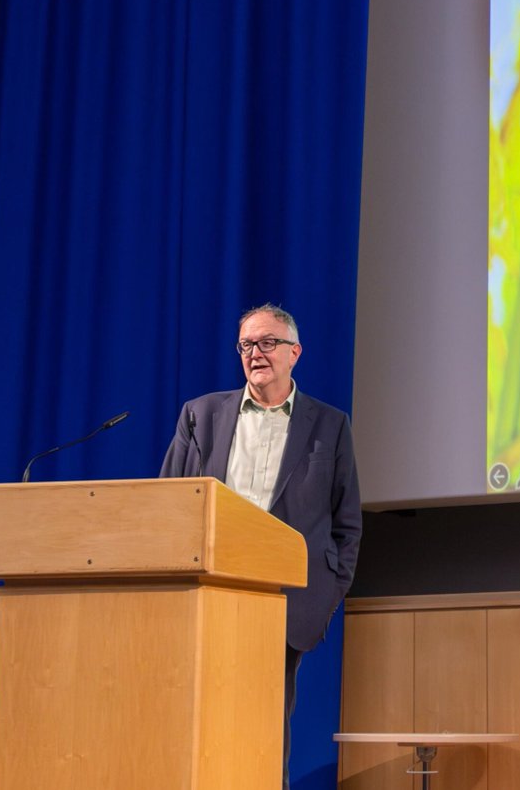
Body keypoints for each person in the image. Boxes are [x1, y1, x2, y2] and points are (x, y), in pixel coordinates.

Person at [160, 303, 362, 789]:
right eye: (247, 344)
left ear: (295, 352)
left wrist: (326, 595)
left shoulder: (329, 424)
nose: (256, 353)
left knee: (264, 729)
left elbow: (346, 525)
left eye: (268, 342)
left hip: (283, 601)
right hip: (208, 596)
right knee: (195, 725)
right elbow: (168, 505)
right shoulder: (201, 416)